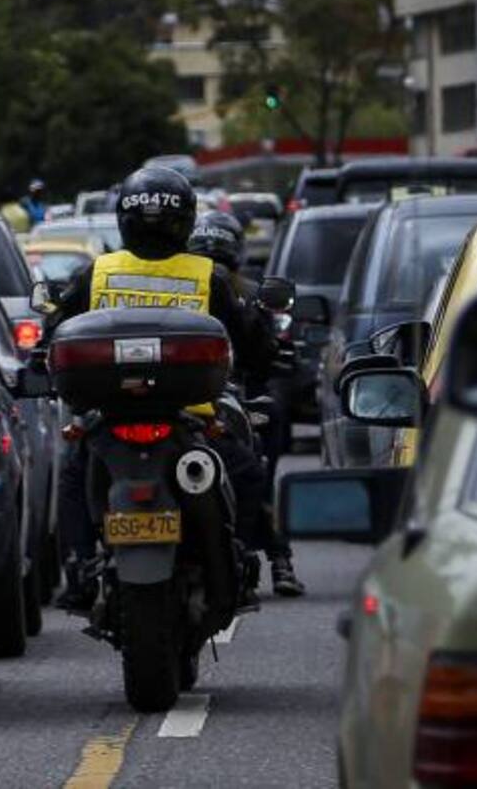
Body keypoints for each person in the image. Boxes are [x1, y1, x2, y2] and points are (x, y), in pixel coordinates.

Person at [49, 166, 277, 610]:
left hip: (109, 415)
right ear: (186, 221)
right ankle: (243, 564)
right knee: (247, 474)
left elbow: (54, 333)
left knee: (74, 474)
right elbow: (250, 340)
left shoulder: (97, 273)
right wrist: (268, 357)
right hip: (194, 416)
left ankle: (78, 571)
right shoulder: (208, 275)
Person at [187, 211, 306, 597]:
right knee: (256, 469)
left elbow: (264, 346)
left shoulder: (198, 283)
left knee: (258, 459)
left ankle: (262, 555)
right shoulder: (236, 289)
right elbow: (264, 347)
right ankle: (272, 557)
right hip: (205, 399)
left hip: (208, 398)